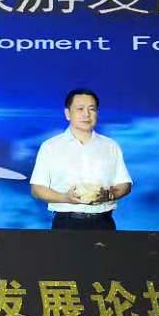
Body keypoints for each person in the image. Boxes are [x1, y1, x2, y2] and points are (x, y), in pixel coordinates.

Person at [28, 88, 132, 230]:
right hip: (66, 223)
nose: (86, 114)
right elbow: (37, 189)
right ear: (67, 113)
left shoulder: (110, 146)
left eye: (92, 109)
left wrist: (108, 195)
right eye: (80, 109)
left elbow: (125, 185)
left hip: (104, 223)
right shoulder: (50, 147)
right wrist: (66, 198)